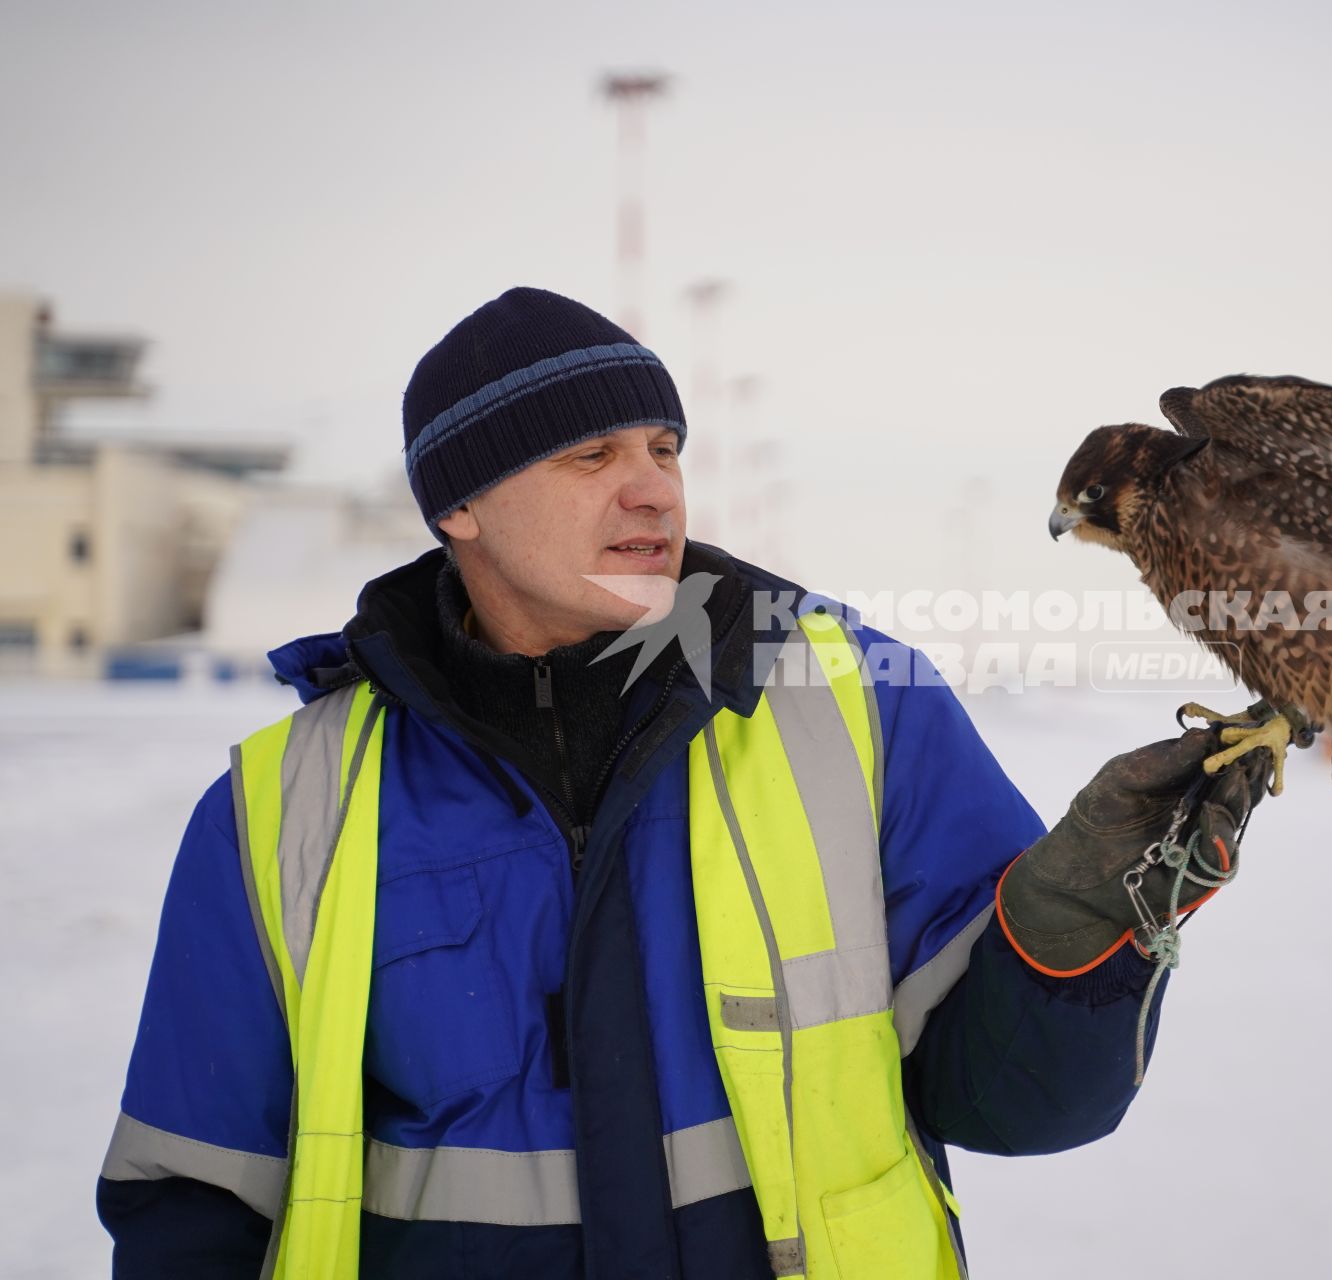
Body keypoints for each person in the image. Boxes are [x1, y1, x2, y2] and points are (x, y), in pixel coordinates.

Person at [96, 287, 1266, 1279]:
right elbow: (188, 1199)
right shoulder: (288, 802)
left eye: (664, 449)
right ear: (458, 505)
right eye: (591, 455)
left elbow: (1018, 1102)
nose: (654, 489)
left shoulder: (852, 701)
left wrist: (1077, 922)